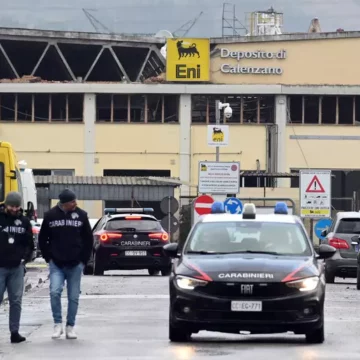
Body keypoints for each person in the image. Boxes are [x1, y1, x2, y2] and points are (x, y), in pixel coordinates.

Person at [38, 188, 93, 340]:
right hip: (56, 264)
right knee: (54, 292)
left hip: (75, 264)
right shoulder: (50, 216)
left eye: (75, 200)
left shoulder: (81, 215)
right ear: (64, 203)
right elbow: (43, 239)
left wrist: (83, 260)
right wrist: (48, 257)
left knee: (73, 296)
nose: (75, 203)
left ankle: (70, 326)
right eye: (72, 202)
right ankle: (57, 324)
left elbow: (88, 239)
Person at [0, 192, 34, 343]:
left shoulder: (25, 221)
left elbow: (29, 243)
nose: (14, 209)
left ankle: (15, 332)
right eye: (11, 206)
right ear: (6, 205)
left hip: (17, 267)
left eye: (17, 206)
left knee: (16, 300)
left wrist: (24, 259)